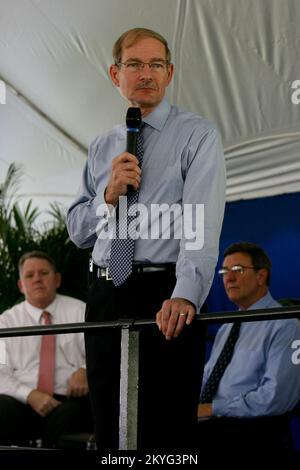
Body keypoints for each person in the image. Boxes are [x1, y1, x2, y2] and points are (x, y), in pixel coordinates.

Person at [67, 27, 226, 450]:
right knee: (109, 423)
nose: (146, 73)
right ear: (115, 74)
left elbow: (201, 223)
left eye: (156, 64)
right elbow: (78, 230)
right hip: (105, 290)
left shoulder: (198, 135)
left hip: (166, 293)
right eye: (134, 64)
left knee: (166, 429)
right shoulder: (102, 147)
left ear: (170, 72)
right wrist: (107, 196)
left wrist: (187, 294)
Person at [198, 242, 300, 450]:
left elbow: (276, 397)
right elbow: (207, 379)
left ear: (261, 276)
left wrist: (213, 408)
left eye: (237, 270)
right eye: (224, 271)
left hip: (252, 433)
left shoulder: (286, 325)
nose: (229, 278)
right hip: (213, 424)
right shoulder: (227, 327)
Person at [0, 251, 93, 448]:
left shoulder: (80, 311)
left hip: (67, 399)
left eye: (44, 273)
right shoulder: (6, 321)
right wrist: (30, 395)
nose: (37, 280)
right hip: (21, 398)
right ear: (21, 285)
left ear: (57, 279)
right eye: (29, 275)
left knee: (71, 416)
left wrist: (85, 369)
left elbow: (102, 353)